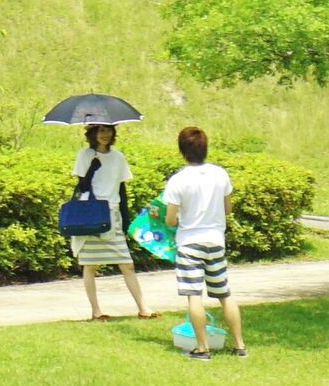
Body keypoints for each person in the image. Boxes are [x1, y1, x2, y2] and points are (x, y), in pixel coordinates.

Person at [160, 125, 243, 358]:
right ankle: (239, 345)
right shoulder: (220, 174)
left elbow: (170, 219)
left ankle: (203, 348)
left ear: (182, 150)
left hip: (190, 243)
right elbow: (227, 209)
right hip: (216, 241)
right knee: (224, 294)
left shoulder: (178, 180)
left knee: (194, 296)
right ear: (205, 148)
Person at [67, 123, 147, 321]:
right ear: (93, 133)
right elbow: (81, 186)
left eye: (108, 130)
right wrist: (93, 166)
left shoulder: (118, 156)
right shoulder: (84, 155)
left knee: (126, 264)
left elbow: (121, 189)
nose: (105, 134)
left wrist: (126, 218)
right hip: (91, 214)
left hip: (112, 214)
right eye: (101, 130)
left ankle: (143, 307)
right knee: (90, 265)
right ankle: (96, 311)